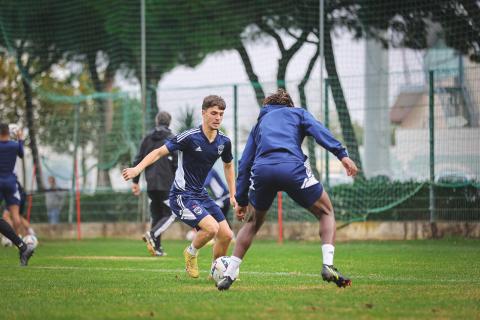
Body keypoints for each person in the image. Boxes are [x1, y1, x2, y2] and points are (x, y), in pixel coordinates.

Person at [217, 89, 358, 291]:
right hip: (292, 168)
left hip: (262, 171)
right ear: (289, 105)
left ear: (267, 106)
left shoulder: (260, 124)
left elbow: (245, 161)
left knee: (253, 222)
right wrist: (342, 154)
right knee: (326, 211)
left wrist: (241, 200)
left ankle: (228, 275)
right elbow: (319, 131)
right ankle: (328, 265)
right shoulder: (297, 113)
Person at [123, 95, 237, 279]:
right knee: (211, 228)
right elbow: (159, 152)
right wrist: (137, 169)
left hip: (201, 195)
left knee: (226, 235)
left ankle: (215, 273)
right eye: (213, 113)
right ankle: (191, 253)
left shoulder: (224, 142)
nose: (218, 118)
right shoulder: (189, 137)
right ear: (203, 113)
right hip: (182, 196)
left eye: (221, 114)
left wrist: (233, 194)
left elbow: (229, 165)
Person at [131, 111, 178, 257]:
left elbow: (138, 159)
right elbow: (177, 163)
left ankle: (157, 248)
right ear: (169, 123)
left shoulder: (147, 138)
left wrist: (135, 182)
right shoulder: (172, 138)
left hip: (150, 183)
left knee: (157, 215)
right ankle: (151, 234)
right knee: (171, 214)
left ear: (157, 121)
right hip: (166, 183)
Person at [0, 123, 34, 265]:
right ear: (9, 132)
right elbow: (21, 153)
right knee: (15, 215)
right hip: (12, 183)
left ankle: (22, 245)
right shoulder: (14, 145)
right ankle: (21, 243)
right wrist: (20, 138)